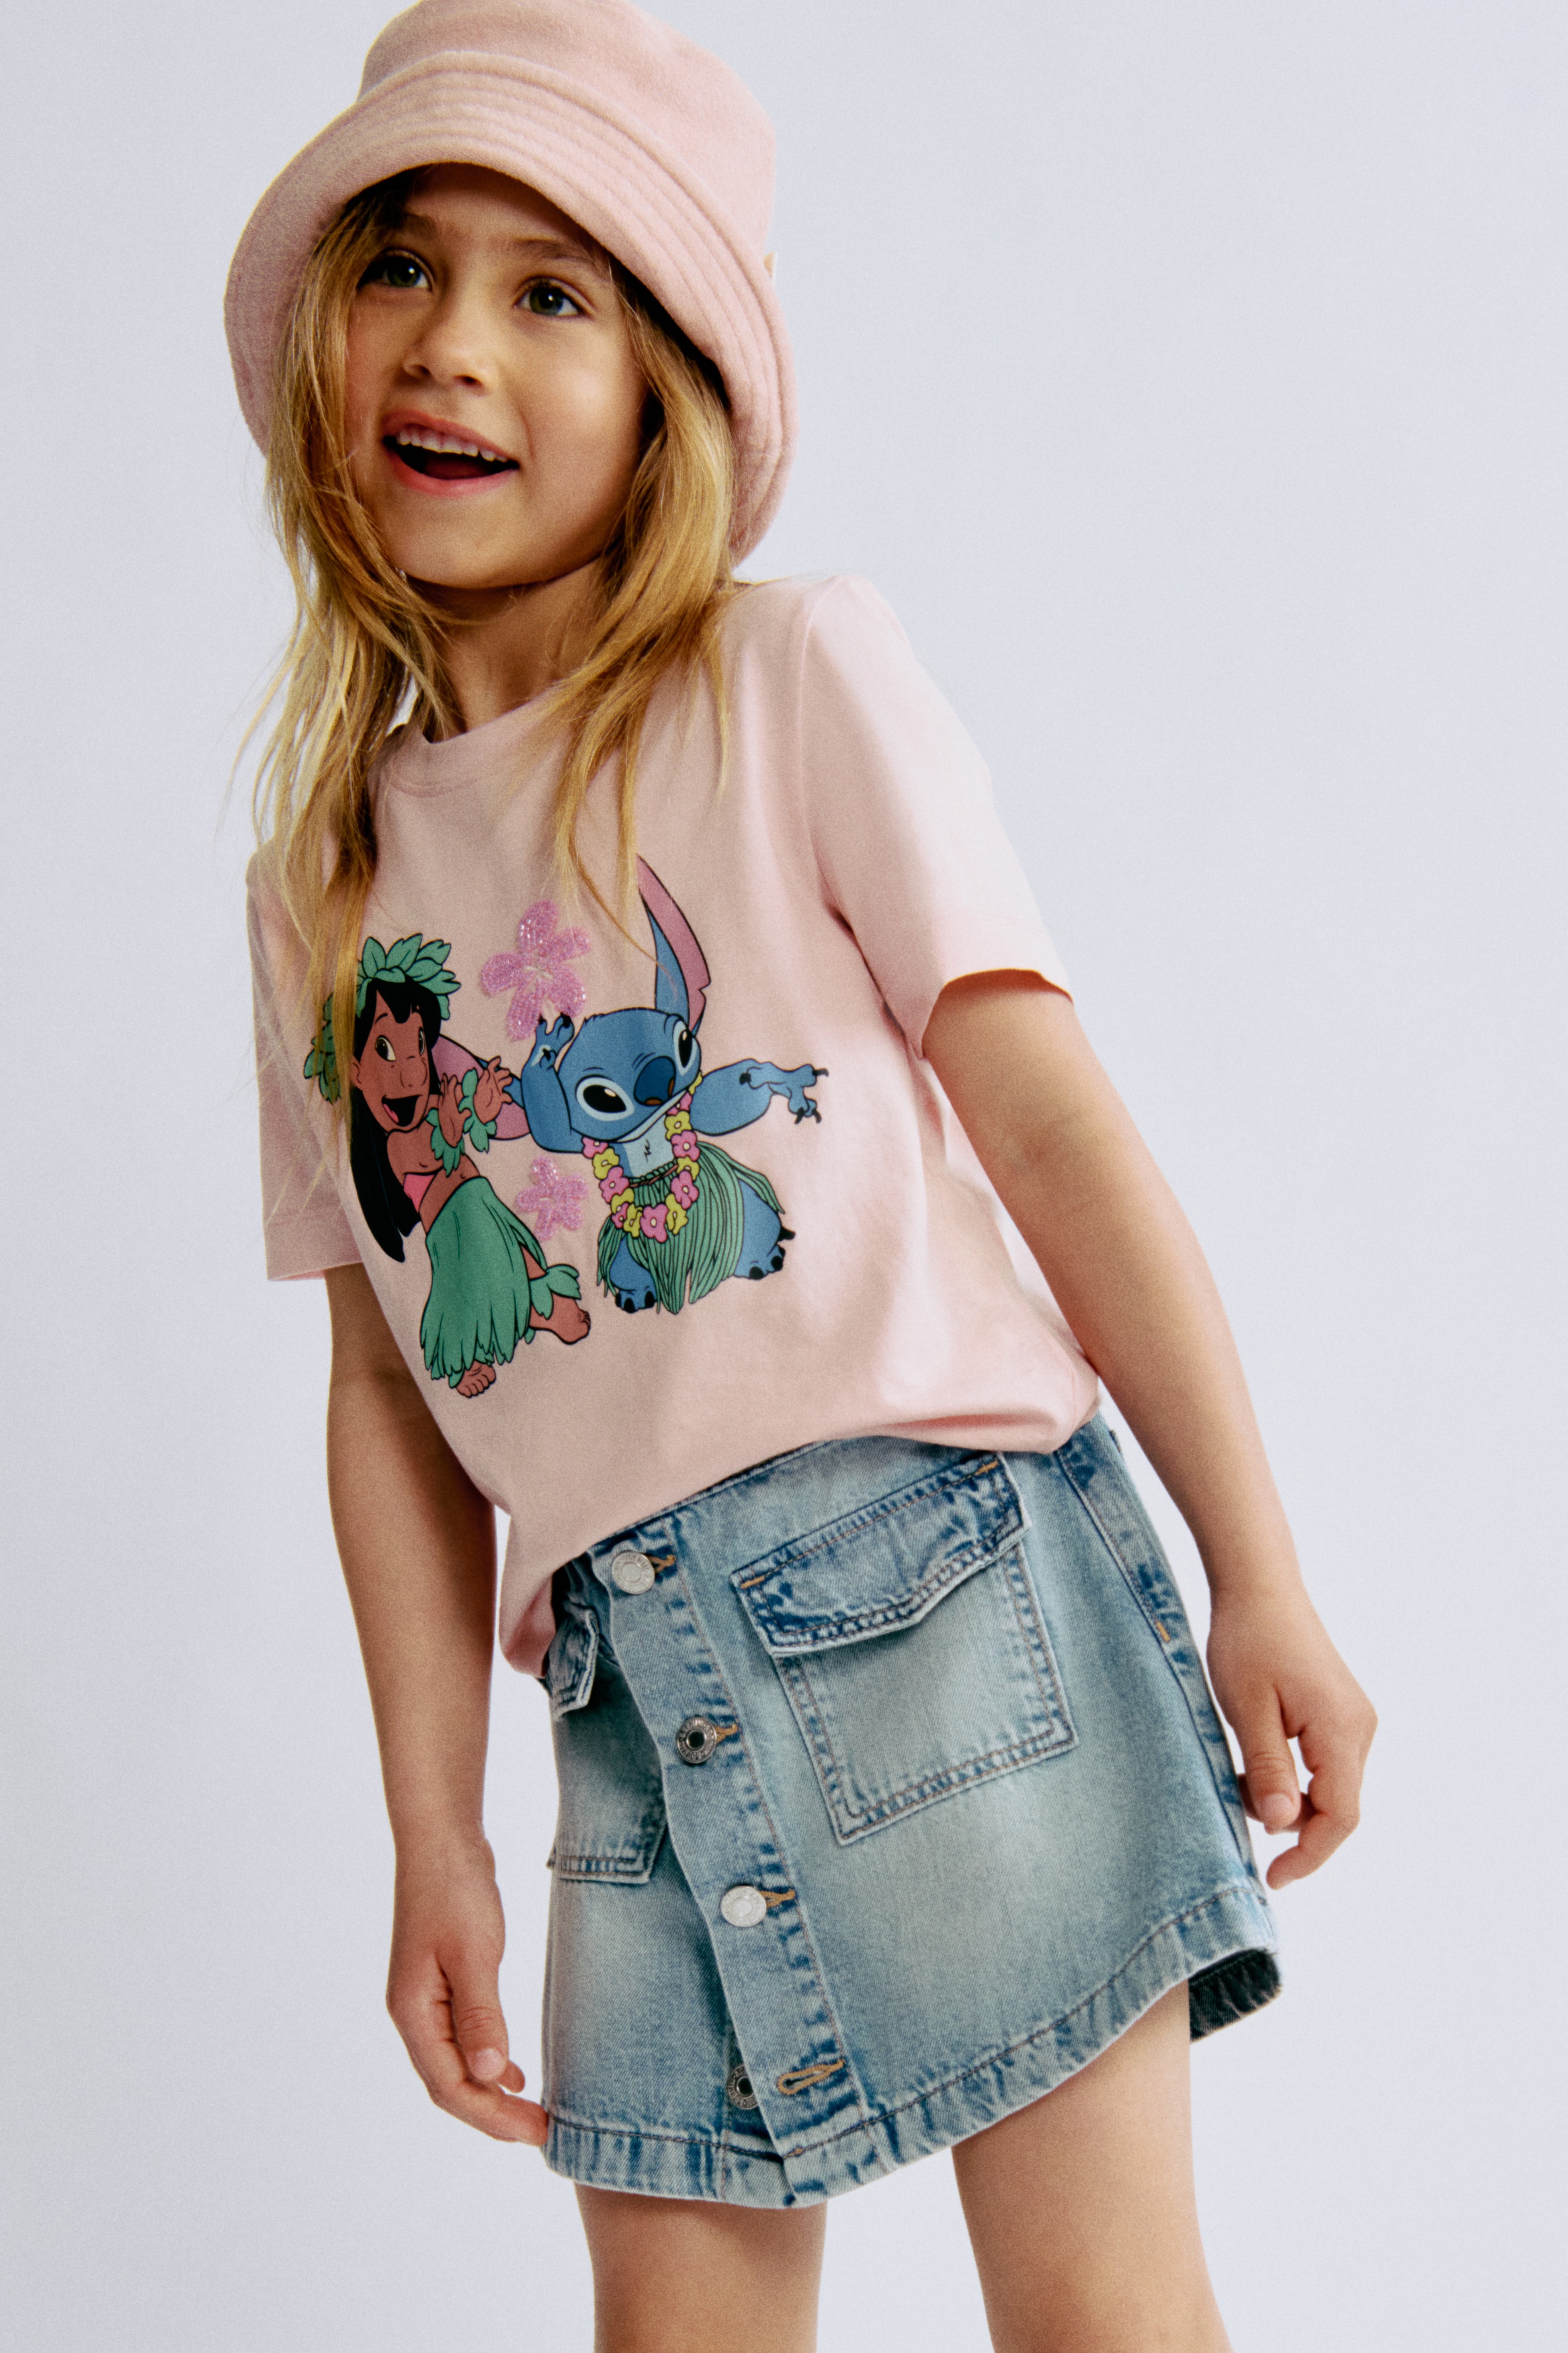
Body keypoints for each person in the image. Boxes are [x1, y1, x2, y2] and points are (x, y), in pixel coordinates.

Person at [233, 5, 1376, 2346]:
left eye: (554, 292)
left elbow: (1054, 1126)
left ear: (667, 389)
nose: (452, 343)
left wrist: (1260, 1569)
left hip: (956, 1602)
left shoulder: (786, 678)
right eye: (402, 265)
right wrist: (433, 1827)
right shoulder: (319, 890)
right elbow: (386, 1397)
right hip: (632, 1706)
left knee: (1102, 2318)